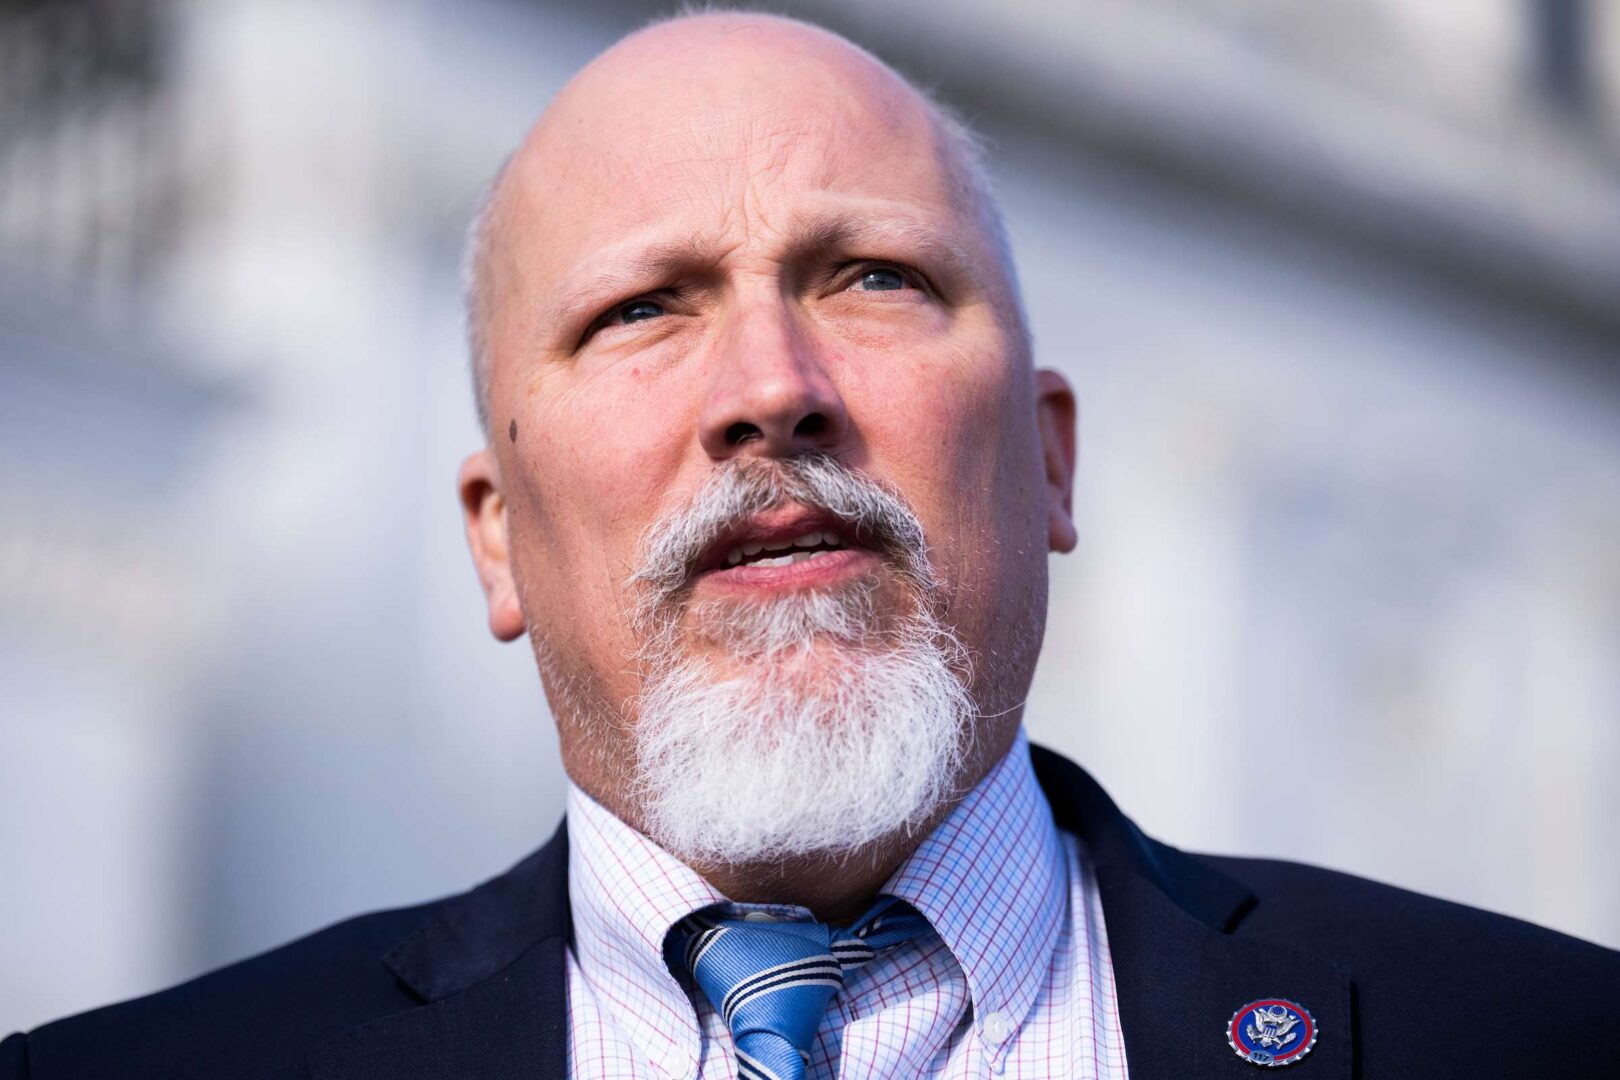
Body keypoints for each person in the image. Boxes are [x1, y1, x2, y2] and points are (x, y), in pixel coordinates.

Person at [5, 11, 1616, 1080]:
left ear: (1050, 461)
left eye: (872, 280)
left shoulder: (1534, 1039)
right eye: (643, 309)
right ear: (497, 542)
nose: (772, 392)